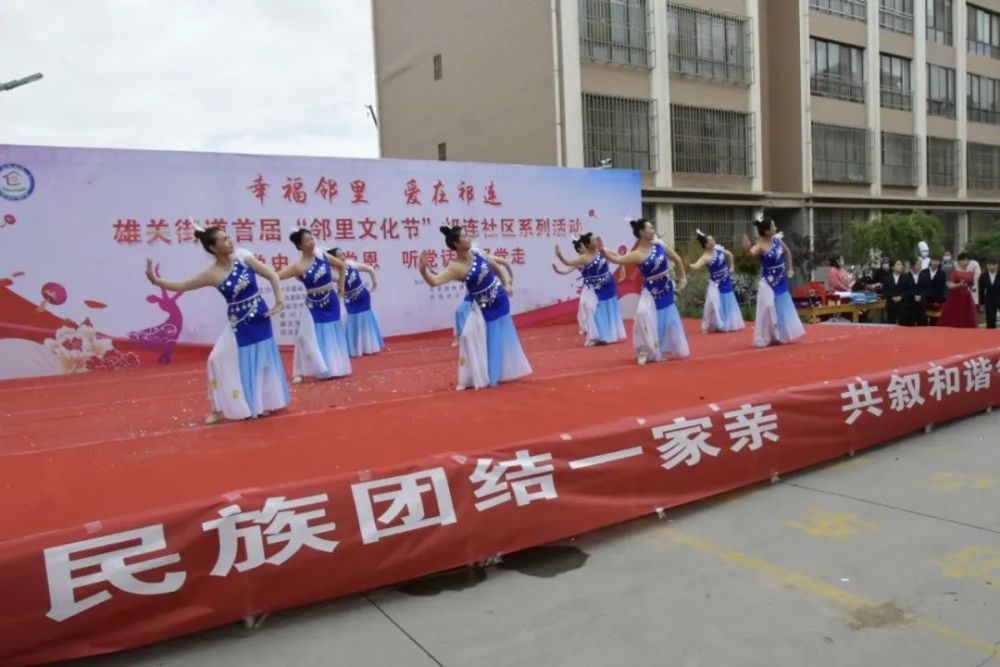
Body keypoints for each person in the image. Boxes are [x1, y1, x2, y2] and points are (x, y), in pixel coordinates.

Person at [144, 226, 289, 424]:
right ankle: (218, 407)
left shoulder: (244, 259)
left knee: (261, 360)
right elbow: (184, 285)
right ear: (213, 248)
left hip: (259, 317)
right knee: (216, 359)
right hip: (238, 323)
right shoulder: (212, 274)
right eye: (223, 239)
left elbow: (272, 275)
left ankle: (260, 404)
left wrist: (279, 301)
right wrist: (157, 281)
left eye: (228, 238)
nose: (229, 241)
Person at [418, 226, 531, 389]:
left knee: (503, 337)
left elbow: (496, 267)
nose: (468, 237)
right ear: (456, 244)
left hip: (500, 297)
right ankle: (488, 376)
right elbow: (434, 281)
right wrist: (423, 271)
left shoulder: (476, 252)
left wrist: (506, 284)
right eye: (464, 236)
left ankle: (504, 372)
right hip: (483, 307)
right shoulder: (455, 268)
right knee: (479, 338)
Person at [603, 218, 689, 365]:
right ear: (642, 232)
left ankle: (661, 348)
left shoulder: (660, 245)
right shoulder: (637, 254)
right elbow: (617, 260)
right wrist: (603, 252)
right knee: (643, 316)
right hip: (650, 292)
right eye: (650, 228)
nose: (653, 231)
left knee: (666, 322)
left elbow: (677, 259)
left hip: (666, 289)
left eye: (653, 228)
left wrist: (683, 277)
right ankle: (643, 349)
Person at [278, 229, 351, 383]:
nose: (311, 242)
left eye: (312, 239)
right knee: (309, 335)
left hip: (331, 300)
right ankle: (318, 368)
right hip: (313, 304)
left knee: (332, 331)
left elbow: (342, 267)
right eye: (307, 241)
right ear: (300, 246)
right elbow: (275, 276)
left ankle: (336, 367)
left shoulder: (322, 255)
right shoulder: (297, 267)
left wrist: (342, 287)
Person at [742, 216, 806, 347]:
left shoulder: (777, 241)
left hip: (781, 279)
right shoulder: (759, 246)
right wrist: (747, 248)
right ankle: (764, 336)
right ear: (767, 231)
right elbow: (750, 253)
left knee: (780, 307)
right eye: (773, 226)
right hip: (767, 281)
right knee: (767, 306)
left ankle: (780, 335)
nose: (776, 228)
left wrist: (789, 269)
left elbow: (787, 252)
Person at [555, 233, 627, 346]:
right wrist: (560, 256)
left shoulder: (602, 250)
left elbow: (616, 257)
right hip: (595, 289)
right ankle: (598, 336)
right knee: (591, 308)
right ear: (588, 244)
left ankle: (610, 335)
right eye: (593, 240)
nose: (596, 241)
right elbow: (569, 263)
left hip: (609, 285)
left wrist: (622, 268)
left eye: (596, 239)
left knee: (609, 309)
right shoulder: (584, 258)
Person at [449, 252, 514, 347]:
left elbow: (504, 262)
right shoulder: (462, 264)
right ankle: (460, 337)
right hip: (473, 294)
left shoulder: (482, 258)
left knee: (492, 316)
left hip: (489, 291)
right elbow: (453, 276)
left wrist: (511, 278)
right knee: (460, 311)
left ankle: (496, 336)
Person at [688, 229, 744, 333]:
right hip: (715, 283)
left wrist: (731, 267)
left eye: (713, 239)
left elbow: (730, 255)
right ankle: (719, 323)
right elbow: (696, 265)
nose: (713, 241)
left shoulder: (718, 249)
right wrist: (689, 265)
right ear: (705, 245)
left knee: (728, 300)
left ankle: (730, 323)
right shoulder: (705, 257)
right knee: (714, 302)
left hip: (726, 280)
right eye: (710, 241)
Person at [331, 248, 384, 356]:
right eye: (339, 255)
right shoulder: (334, 273)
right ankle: (355, 349)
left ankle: (369, 347)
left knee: (365, 320)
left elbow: (370, 269)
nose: (343, 256)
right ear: (334, 259)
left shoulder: (351, 265)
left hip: (363, 296)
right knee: (353, 321)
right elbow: (340, 289)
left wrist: (374, 282)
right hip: (349, 300)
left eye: (343, 254)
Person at [938, 252, 979, 328]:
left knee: (967, 317)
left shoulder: (970, 273)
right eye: (963, 260)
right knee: (954, 317)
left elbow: (971, 285)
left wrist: (972, 289)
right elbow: (950, 285)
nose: (966, 262)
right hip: (955, 298)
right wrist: (959, 284)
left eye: (967, 260)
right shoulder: (955, 273)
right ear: (959, 261)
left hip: (967, 298)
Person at [917, 255, 948, 325]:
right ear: (930, 261)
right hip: (924, 302)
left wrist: (939, 301)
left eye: (937, 261)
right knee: (922, 323)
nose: (935, 262)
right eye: (934, 260)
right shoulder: (923, 272)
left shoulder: (942, 274)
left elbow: (942, 289)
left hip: (936, 303)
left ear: (940, 263)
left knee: (934, 324)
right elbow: (920, 286)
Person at [881, 260, 907, 325]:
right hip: (891, 305)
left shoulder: (905, 278)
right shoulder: (887, 278)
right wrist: (892, 298)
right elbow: (884, 291)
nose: (901, 266)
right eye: (898, 265)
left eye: (901, 265)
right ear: (893, 267)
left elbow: (908, 290)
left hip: (902, 305)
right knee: (891, 324)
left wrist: (901, 297)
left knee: (902, 325)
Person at [902, 258, 924, 326]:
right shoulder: (905, 277)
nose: (920, 266)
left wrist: (921, 296)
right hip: (909, 305)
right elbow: (904, 290)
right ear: (912, 266)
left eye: (920, 264)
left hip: (921, 305)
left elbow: (926, 289)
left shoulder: (923, 276)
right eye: (918, 264)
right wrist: (913, 295)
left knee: (921, 326)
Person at [979, 258, 1000, 329]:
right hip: (989, 300)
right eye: (989, 264)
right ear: (987, 265)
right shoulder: (983, 276)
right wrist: (981, 303)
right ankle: (990, 337)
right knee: (990, 321)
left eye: (993, 264)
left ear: (997, 265)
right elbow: (981, 290)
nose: (991, 266)